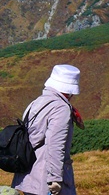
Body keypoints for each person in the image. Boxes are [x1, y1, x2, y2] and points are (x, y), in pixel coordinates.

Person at [12, 64, 81, 195]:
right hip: (46, 182)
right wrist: (55, 179)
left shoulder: (36, 103)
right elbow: (55, 145)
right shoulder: (61, 108)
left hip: (29, 178)